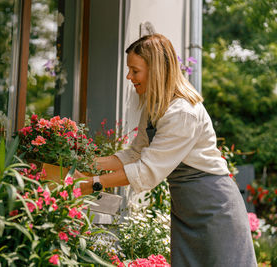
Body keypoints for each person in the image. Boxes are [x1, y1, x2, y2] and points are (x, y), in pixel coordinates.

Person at [75, 34, 257, 266]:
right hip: (187, 209)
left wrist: (92, 183)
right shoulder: (154, 106)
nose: (129, 76)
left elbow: (147, 172)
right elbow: (135, 154)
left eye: (135, 70)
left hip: (214, 210)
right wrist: (86, 164)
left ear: (157, 70)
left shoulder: (182, 112)